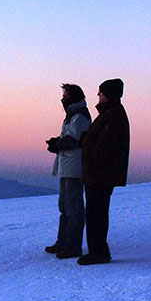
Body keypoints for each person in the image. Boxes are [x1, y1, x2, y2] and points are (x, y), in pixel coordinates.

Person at [78, 80, 130, 265]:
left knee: (96, 213)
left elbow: (105, 146)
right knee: (95, 212)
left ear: (108, 94)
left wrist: (90, 163)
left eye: (100, 93)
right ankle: (98, 250)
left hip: (100, 175)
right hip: (100, 173)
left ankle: (98, 252)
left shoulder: (112, 116)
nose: (98, 95)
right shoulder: (110, 114)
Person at [45, 84, 92, 258]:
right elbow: (70, 138)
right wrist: (57, 142)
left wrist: (57, 144)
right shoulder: (72, 116)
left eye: (65, 95)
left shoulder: (79, 116)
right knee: (65, 207)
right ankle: (63, 241)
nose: (63, 99)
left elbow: (74, 140)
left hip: (74, 167)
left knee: (73, 208)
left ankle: (72, 245)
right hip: (67, 166)